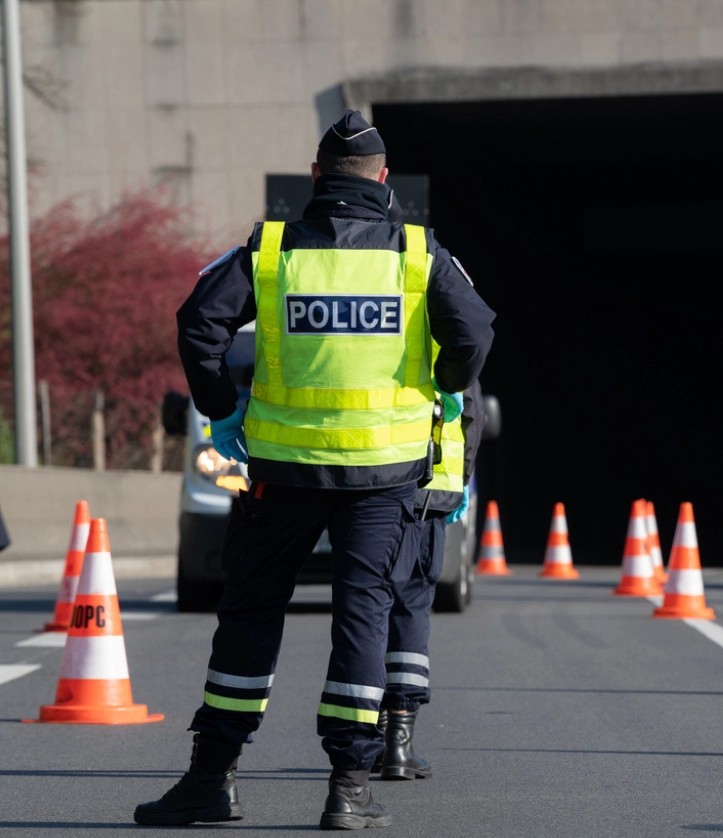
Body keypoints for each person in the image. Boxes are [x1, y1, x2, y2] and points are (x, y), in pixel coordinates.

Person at [133, 109, 495, 830]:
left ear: (315, 178)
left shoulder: (270, 252)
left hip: (280, 472)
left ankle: (212, 778)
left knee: (249, 614)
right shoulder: (419, 254)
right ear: (383, 181)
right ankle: (349, 789)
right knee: (361, 616)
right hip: (383, 477)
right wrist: (441, 383)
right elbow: (474, 332)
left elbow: (197, 323)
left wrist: (221, 407)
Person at [372, 377, 485, 781]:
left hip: (373, 490)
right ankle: (398, 739)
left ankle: (374, 736)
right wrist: (463, 478)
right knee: (412, 605)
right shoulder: (448, 334)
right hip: (429, 493)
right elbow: (471, 413)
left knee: (369, 605)